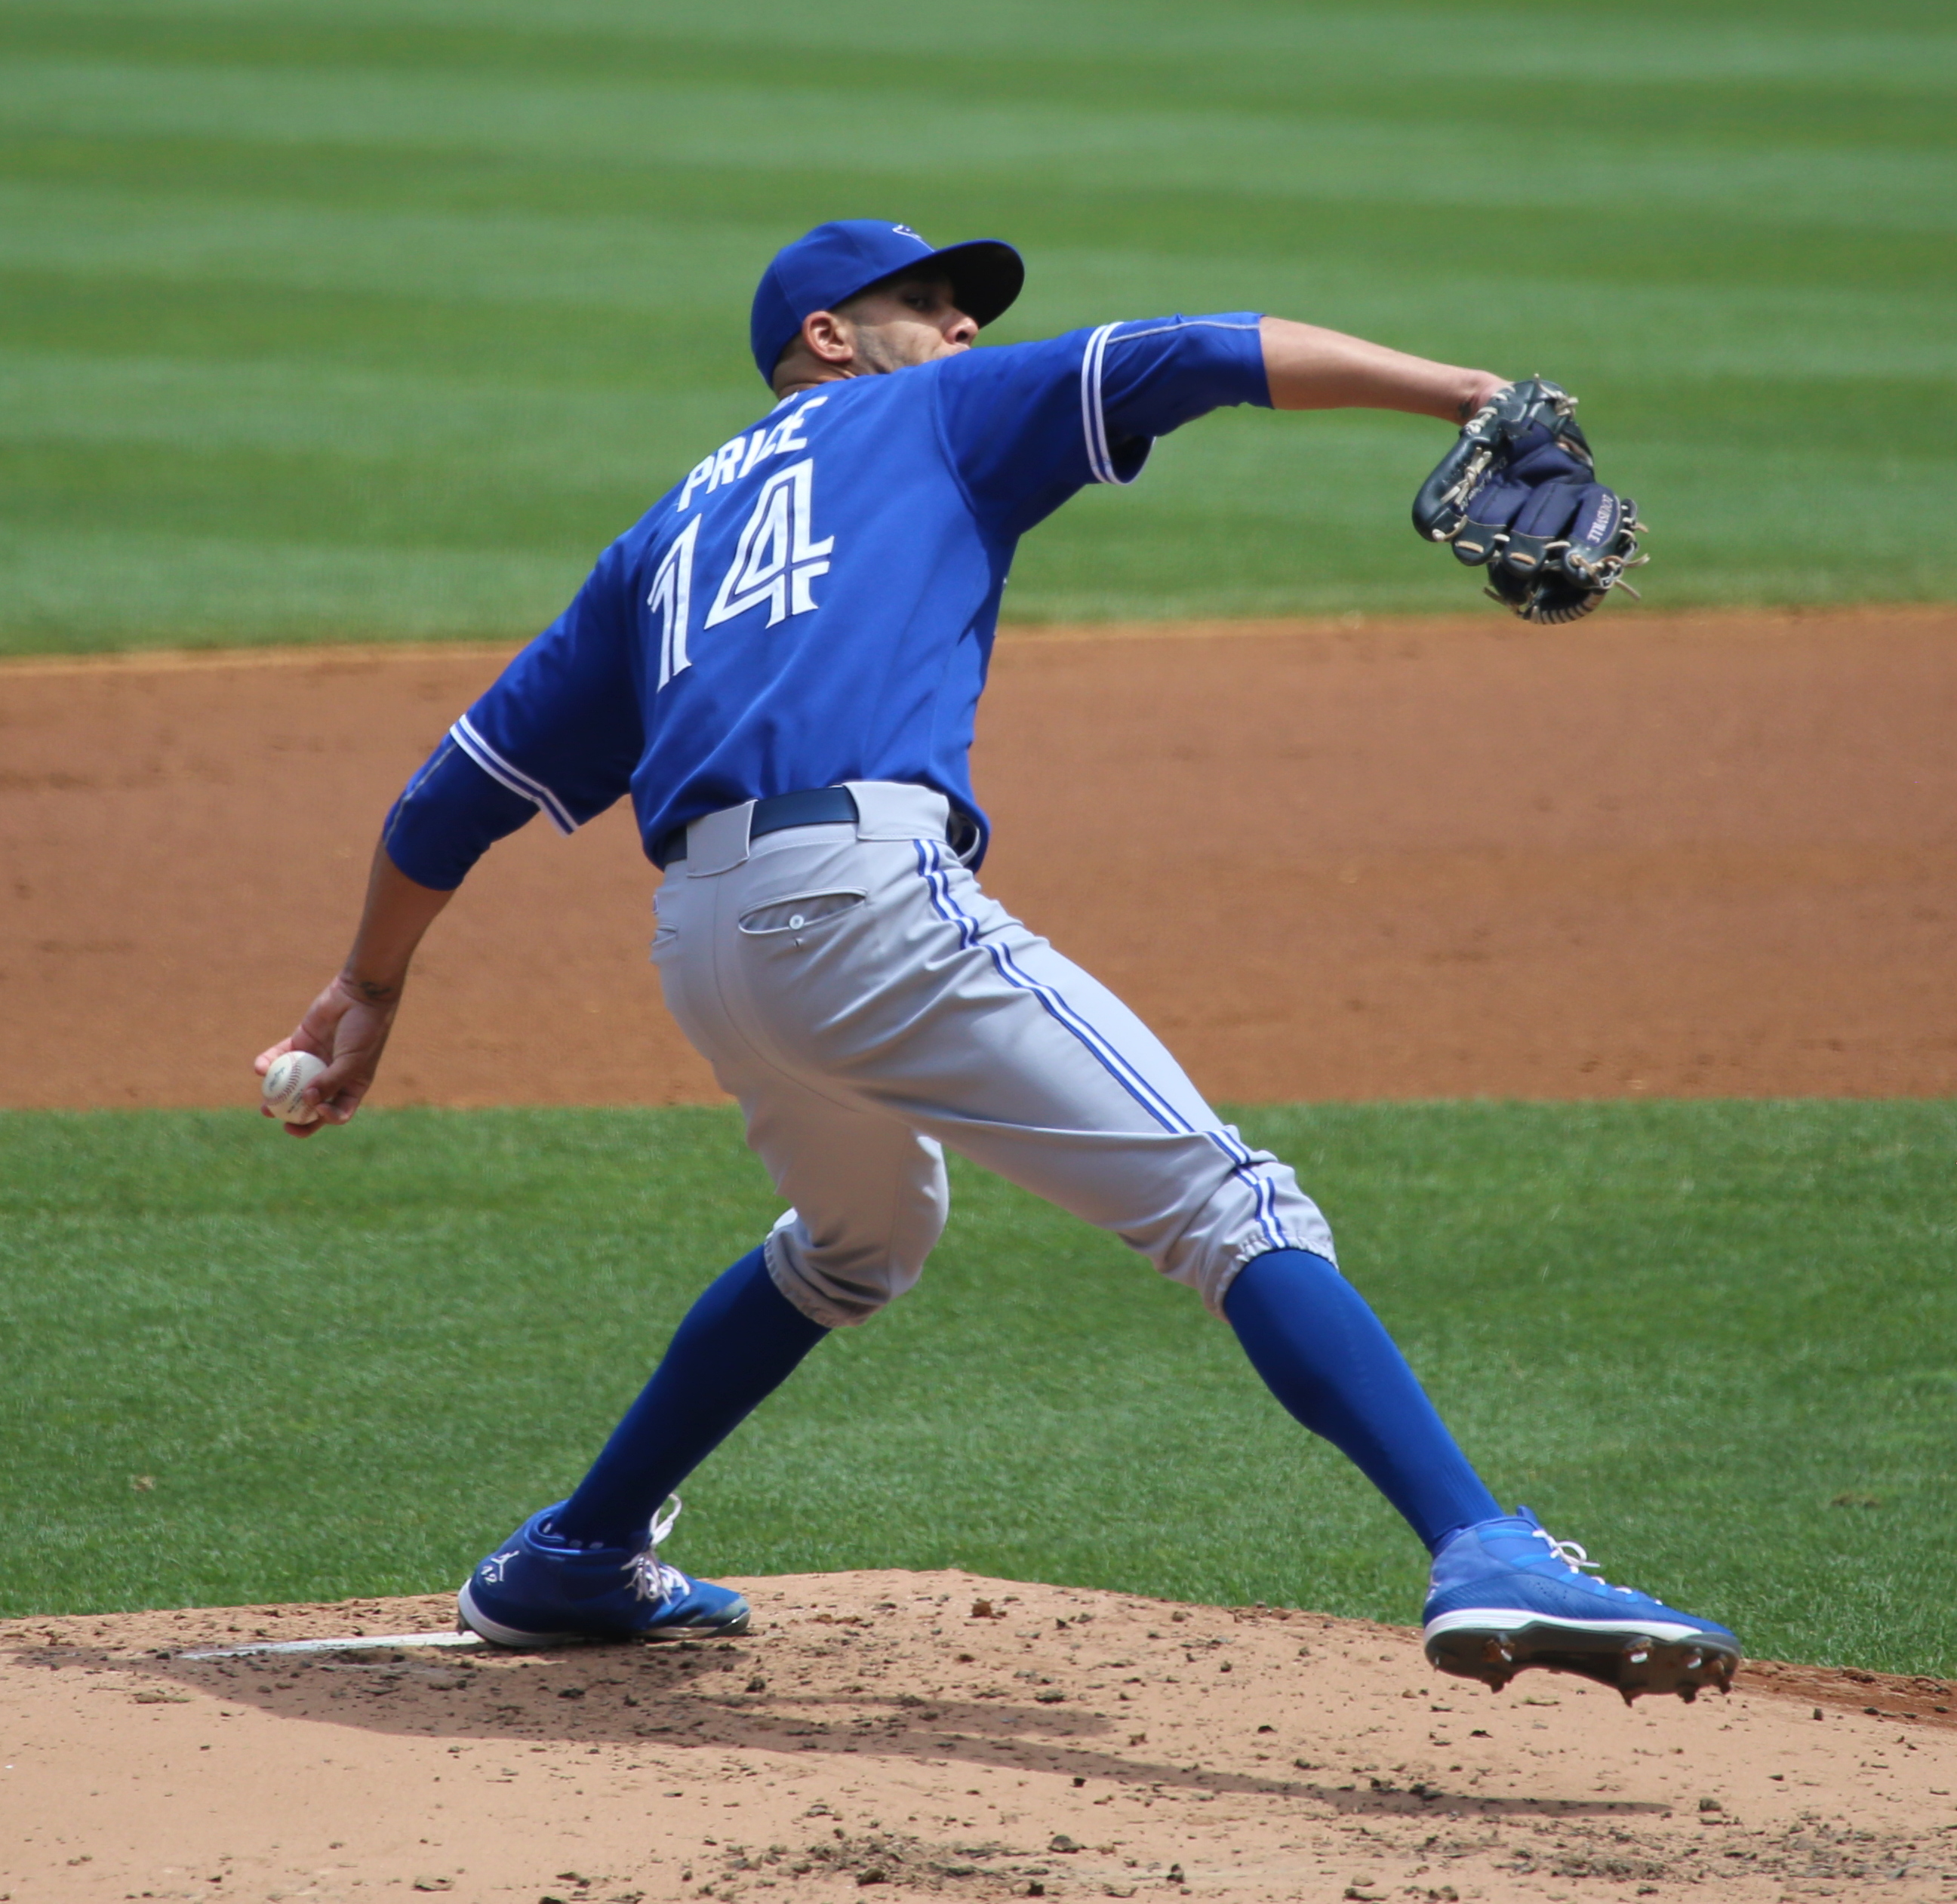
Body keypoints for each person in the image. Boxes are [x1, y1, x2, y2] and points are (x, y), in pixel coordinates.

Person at [256, 220, 1738, 1702]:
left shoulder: (664, 537)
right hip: (856, 903)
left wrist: (370, 984)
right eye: (929, 300)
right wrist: (1468, 390)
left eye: (969, 311)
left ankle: (578, 1552)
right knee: (1231, 1202)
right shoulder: (929, 410)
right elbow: (1198, 352)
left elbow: (451, 794)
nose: (964, 327)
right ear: (829, 334)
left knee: (857, 1241)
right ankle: (1483, 1540)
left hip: (707, 944)